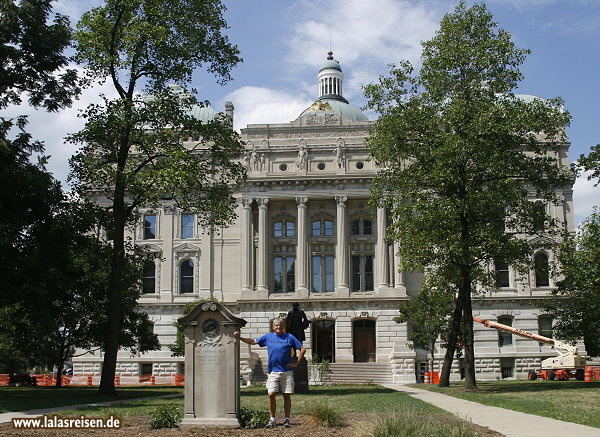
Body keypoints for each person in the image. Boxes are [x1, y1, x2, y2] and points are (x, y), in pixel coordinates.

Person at [234, 318, 306, 429]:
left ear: (284, 327)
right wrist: (239, 338)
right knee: (271, 394)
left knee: (286, 395)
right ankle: (272, 419)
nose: (278, 327)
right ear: (273, 327)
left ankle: (287, 419)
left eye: (281, 325)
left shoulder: (290, 337)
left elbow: (302, 349)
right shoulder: (268, 337)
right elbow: (253, 341)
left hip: (286, 372)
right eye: (276, 325)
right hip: (273, 371)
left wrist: (296, 363)